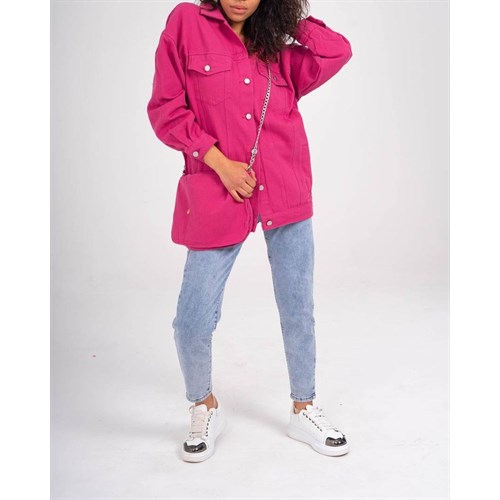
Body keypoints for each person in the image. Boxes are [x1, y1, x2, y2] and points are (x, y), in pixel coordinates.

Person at [147, 0, 353, 462]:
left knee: (297, 308)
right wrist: (219, 163)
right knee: (192, 320)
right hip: (218, 189)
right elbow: (165, 109)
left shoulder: (276, 47)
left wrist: (286, 17)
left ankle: (304, 408)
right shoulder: (186, 23)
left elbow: (337, 51)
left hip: (284, 185)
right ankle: (204, 405)